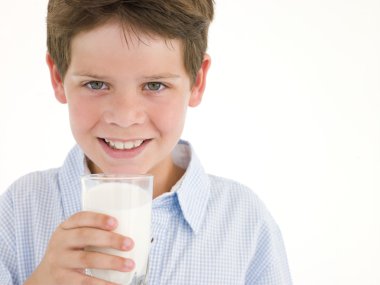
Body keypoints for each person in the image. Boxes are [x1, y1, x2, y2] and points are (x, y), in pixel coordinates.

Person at [0, 0, 292, 284]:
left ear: (197, 81)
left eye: (155, 85)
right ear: (58, 77)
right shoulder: (20, 210)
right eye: (96, 84)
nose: (125, 117)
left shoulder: (245, 222)